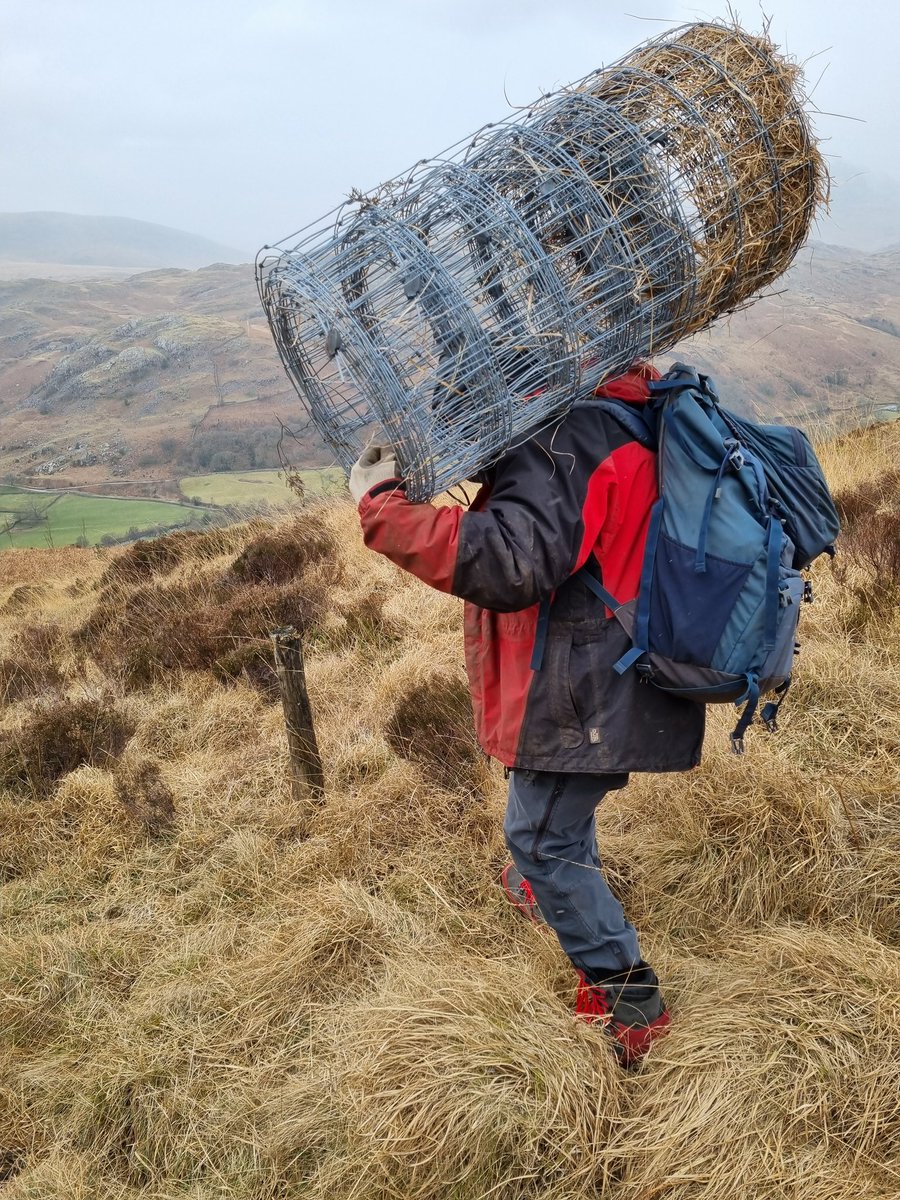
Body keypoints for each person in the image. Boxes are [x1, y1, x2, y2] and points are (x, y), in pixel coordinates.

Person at [349, 361, 705, 1067]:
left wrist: (382, 506)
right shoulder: (603, 408)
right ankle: (553, 894)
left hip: (590, 677)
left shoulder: (564, 439)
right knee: (553, 820)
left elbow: (512, 562)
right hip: (605, 662)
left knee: (539, 837)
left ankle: (630, 998)